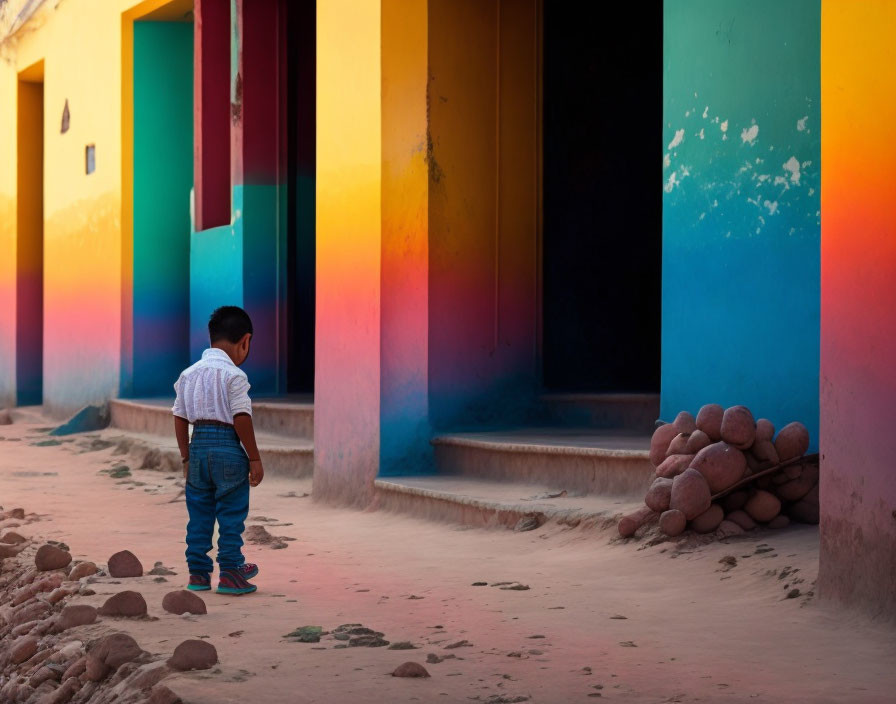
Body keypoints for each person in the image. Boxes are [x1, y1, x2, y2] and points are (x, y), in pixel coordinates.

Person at [172, 306, 265, 595]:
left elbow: (179, 416)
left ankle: (198, 573)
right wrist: (254, 457)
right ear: (245, 341)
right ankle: (231, 571)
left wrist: (186, 457)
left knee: (198, 514)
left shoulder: (188, 374)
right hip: (228, 448)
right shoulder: (234, 376)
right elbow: (241, 417)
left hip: (197, 447)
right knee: (231, 513)